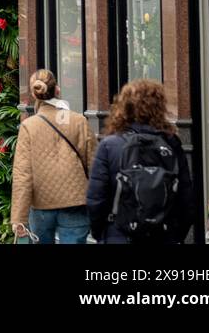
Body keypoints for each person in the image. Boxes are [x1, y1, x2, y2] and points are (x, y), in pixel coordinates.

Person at [86, 79, 195, 244]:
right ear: (159, 108)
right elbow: (185, 197)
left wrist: (101, 232)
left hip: (119, 234)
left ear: (125, 108)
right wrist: (175, 235)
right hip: (163, 234)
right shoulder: (171, 143)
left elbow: (96, 198)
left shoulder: (110, 145)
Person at [11, 70, 97, 244]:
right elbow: (94, 165)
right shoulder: (79, 121)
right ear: (57, 90)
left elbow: (23, 175)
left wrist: (19, 218)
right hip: (76, 201)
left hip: (42, 204)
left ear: (35, 94)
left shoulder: (29, 126)